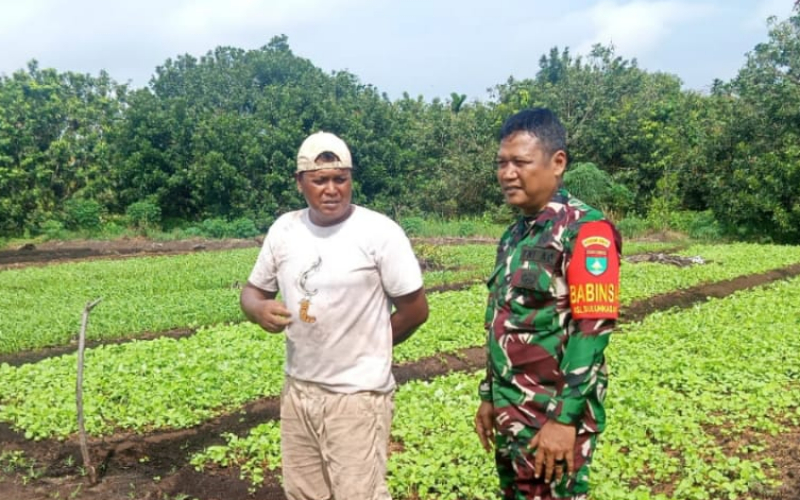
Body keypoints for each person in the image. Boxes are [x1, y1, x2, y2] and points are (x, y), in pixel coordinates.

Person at [240, 131, 429, 500]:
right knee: (304, 493)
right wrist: (257, 309)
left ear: (351, 180)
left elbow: (415, 310)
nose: (331, 189)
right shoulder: (285, 230)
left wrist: (370, 345)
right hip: (299, 390)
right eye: (320, 180)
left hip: (357, 397)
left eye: (340, 179)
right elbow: (252, 292)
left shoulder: (379, 233)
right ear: (300, 183)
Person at [474, 108, 621, 500]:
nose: (507, 173)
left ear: (557, 163)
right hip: (511, 410)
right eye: (502, 163)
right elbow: (503, 321)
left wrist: (564, 420)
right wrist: (489, 396)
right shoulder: (515, 234)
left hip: (550, 416)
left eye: (520, 162)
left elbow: (592, 330)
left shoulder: (586, 231)